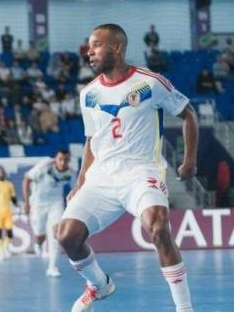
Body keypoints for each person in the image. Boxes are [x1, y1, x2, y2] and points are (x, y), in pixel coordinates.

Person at [55, 24, 197, 311]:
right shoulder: (89, 94)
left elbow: (188, 115)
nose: (89, 51)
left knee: (158, 227)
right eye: (89, 46)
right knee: (66, 236)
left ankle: (185, 308)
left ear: (117, 48)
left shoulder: (150, 82)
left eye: (96, 45)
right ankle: (99, 285)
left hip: (140, 172)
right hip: (101, 178)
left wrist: (189, 160)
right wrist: (81, 182)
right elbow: (91, 140)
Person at [22, 149, 74, 277]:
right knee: (40, 234)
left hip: (56, 203)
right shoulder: (44, 166)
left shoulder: (71, 173)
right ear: (56, 158)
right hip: (38, 203)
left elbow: (75, 189)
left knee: (57, 233)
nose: (63, 162)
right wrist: (27, 202)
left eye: (66, 160)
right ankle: (39, 243)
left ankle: (52, 267)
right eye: (60, 159)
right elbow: (27, 180)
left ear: (69, 160)